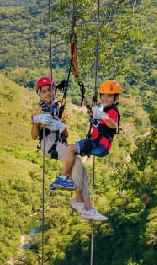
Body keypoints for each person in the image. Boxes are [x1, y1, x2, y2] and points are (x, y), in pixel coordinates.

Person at [31, 75, 108, 221]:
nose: (48, 93)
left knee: (82, 170)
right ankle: (79, 203)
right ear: (40, 94)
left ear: (54, 91)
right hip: (48, 143)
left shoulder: (59, 110)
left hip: (60, 142)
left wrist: (61, 125)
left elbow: (65, 134)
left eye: (50, 90)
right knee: (77, 163)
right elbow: (34, 136)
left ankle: (88, 207)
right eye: (44, 91)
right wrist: (36, 123)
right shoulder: (38, 111)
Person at [49, 79, 121, 202]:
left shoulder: (112, 111)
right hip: (94, 142)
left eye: (110, 96)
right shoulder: (100, 108)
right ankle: (70, 181)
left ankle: (62, 178)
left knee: (70, 149)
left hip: (100, 145)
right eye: (103, 95)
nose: (106, 98)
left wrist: (104, 116)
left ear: (115, 97)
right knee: (72, 155)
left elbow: (114, 125)